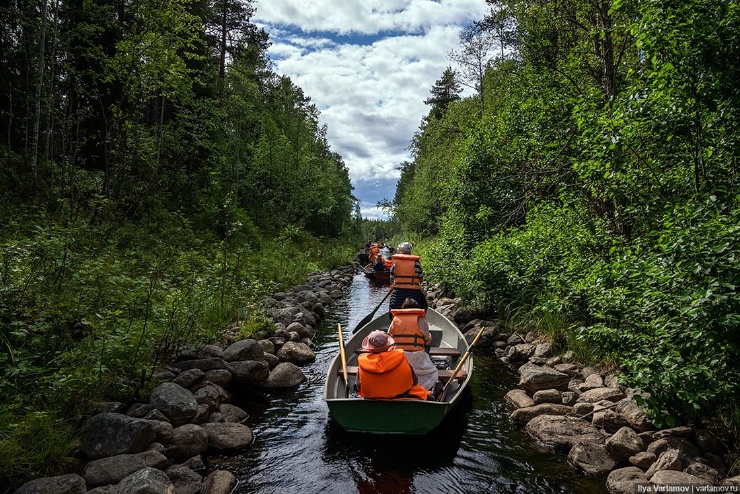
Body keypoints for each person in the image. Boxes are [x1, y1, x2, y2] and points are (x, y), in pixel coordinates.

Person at [356, 330, 431, 401]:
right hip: (400, 396)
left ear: (369, 349)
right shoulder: (400, 356)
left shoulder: (362, 361)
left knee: (358, 394)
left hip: (372, 399)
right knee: (420, 391)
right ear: (388, 346)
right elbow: (415, 381)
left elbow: (358, 386)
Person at [387, 298, 439, 391]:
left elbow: (389, 337)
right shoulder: (421, 320)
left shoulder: (395, 319)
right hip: (416, 357)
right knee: (433, 372)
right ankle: (422, 389)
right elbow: (427, 340)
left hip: (398, 356)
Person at [389, 241, 427, 313]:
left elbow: (391, 280)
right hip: (414, 293)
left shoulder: (395, 263)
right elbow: (420, 279)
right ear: (410, 251)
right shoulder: (416, 263)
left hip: (398, 294)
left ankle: (394, 321)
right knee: (424, 306)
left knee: (392, 309)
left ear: (400, 251)